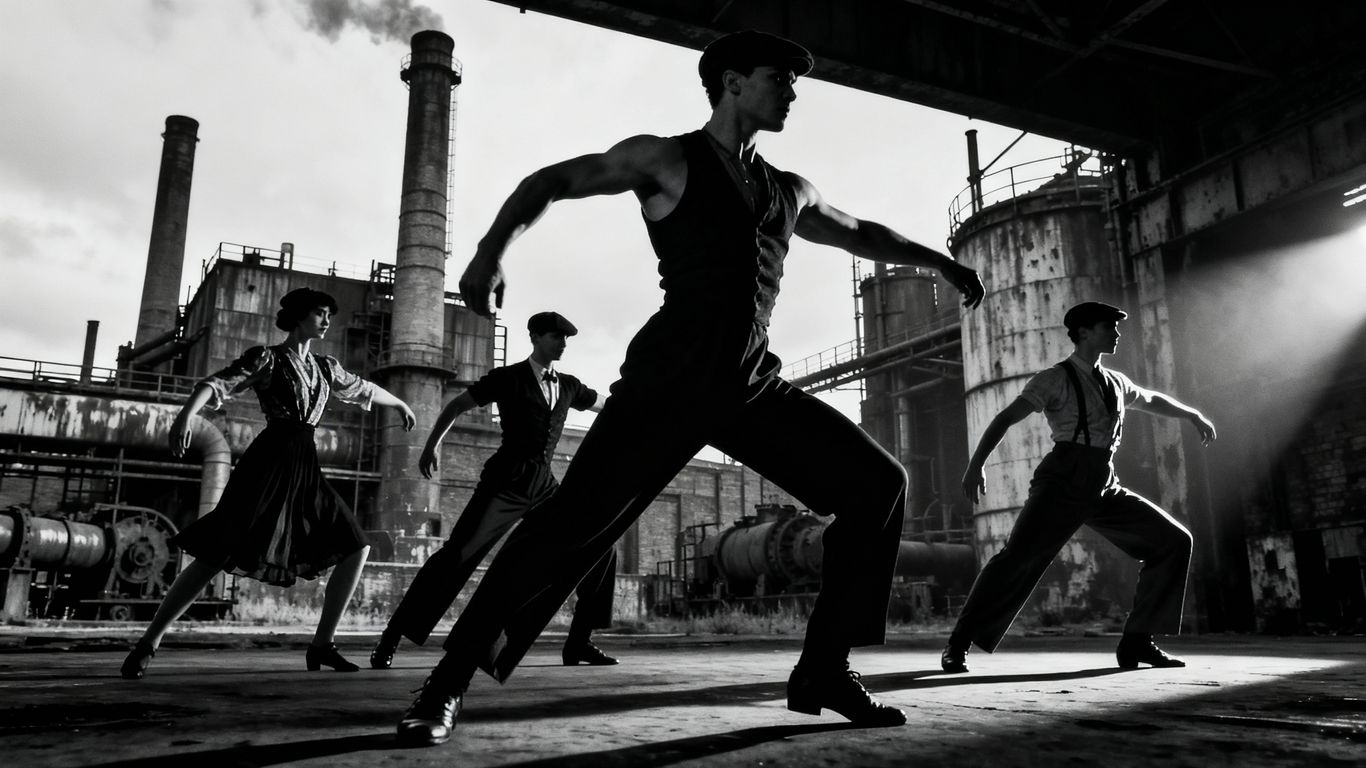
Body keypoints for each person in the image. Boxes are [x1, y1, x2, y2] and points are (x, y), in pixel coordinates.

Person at [393, 29, 986, 747]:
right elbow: (548, 181)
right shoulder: (666, 159)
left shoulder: (789, 191)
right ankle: (447, 682)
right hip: (669, 376)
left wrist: (941, 264)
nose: (792, 93)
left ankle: (825, 667)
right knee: (566, 524)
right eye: (779, 79)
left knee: (877, 483)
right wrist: (489, 254)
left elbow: (863, 231)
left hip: (748, 382)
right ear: (733, 82)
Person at [120, 287, 416, 679]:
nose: (326, 321)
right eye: (319, 313)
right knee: (217, 552)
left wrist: (400, 402)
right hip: (269, 460)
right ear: (297, 317)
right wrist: (184, 417)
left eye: (329, 314)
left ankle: (322, 645)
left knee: (355, 546)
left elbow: (362, 387)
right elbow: (218, 383)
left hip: (305, 463)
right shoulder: (268, 358)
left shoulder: (327, 367)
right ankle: (148, 643)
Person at [941, 301, 1216, 675]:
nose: (1117, 334)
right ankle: (959, 643)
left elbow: (1150, 399)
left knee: (1173, 541)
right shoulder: (1054, 378)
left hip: (1103, 480)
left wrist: (1191, 414)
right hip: (1063, 477)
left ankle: (1138, 640)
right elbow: (1006, 417)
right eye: (1109, 327)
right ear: (1085, 332)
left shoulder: (1117, 383)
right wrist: (976, 466)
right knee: (1016, 558)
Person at [369, 311, 617, 671]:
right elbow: (456, 405)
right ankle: (392, 636)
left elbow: (606, 406)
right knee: (458, 555)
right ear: (535, 337)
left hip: (544, 484)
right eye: (556, 337)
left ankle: (580, 642)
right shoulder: (509, 378)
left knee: (599, 546)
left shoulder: (569, 384)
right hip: (505, 482)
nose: (563, 344)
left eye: (566, 339)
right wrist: (431, 445)